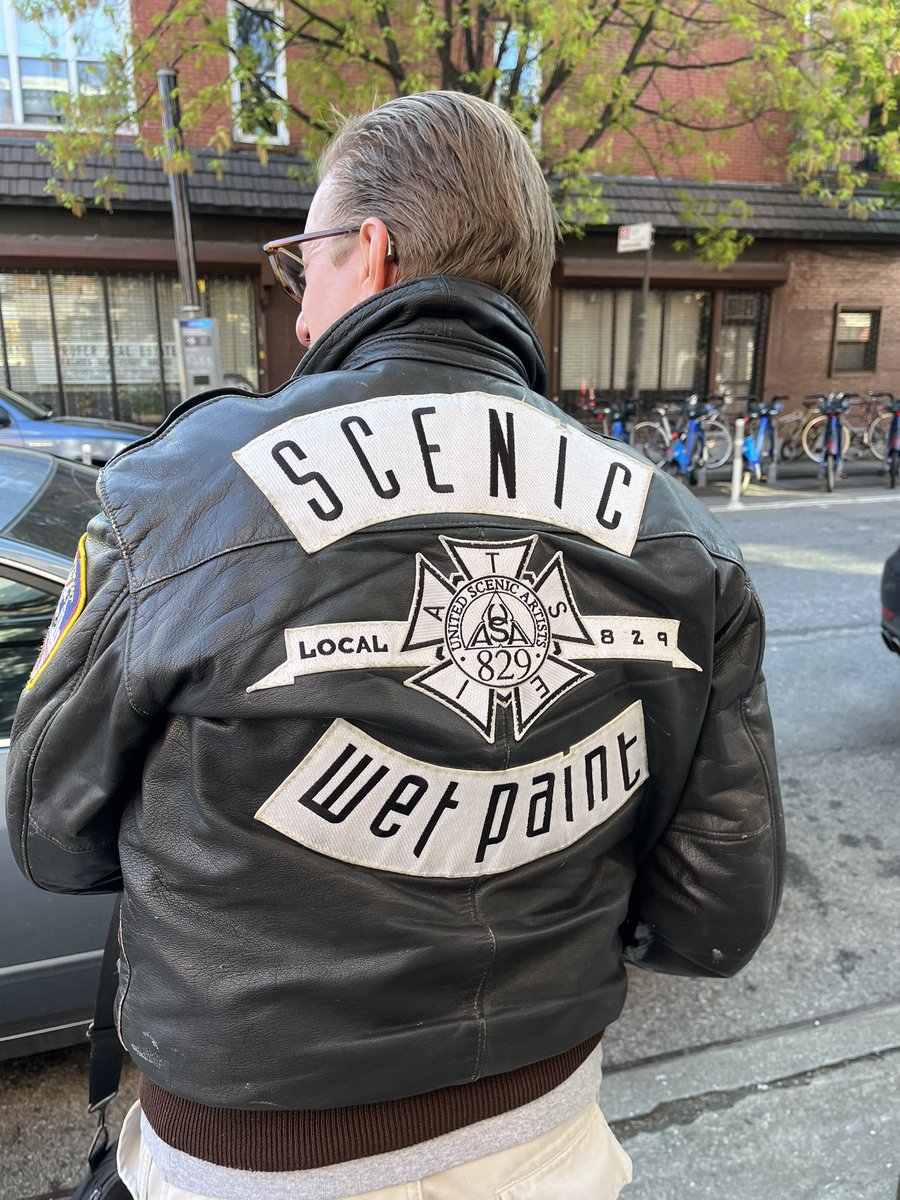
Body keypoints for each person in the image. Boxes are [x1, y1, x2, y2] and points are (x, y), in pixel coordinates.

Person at [6, 91, 784, 1200]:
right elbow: (718, 916)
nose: (303, 311)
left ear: (368, 251)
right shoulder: (679, 534)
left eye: (301, 266)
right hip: (544, 1146)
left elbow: (49, 832)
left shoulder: (176, 493)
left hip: (251, 1165)